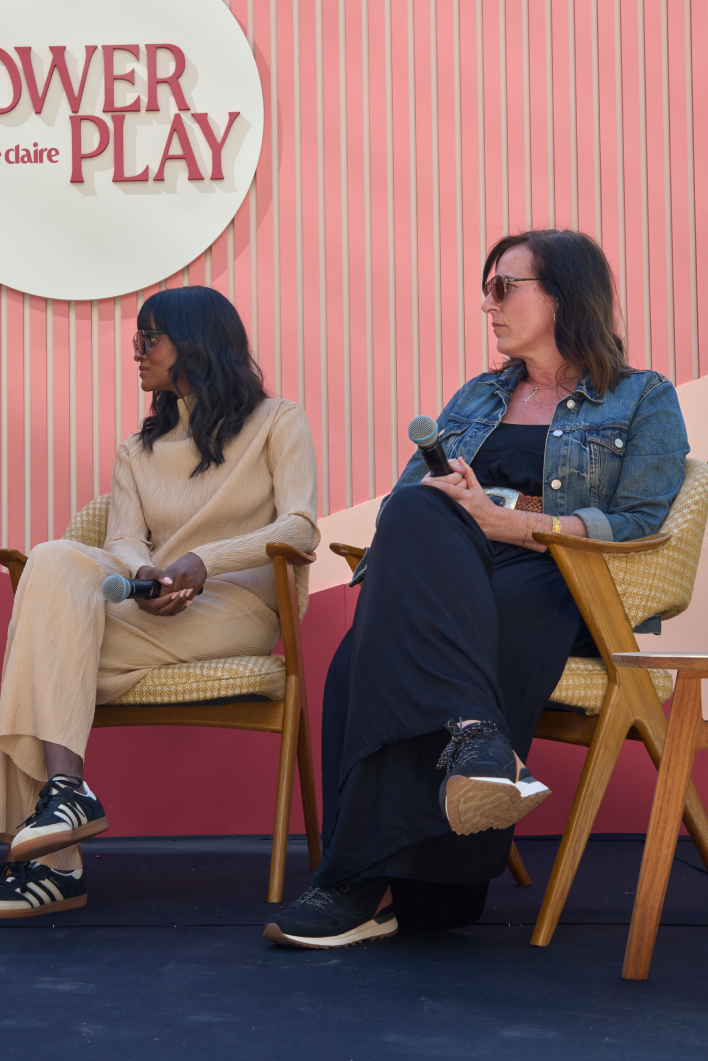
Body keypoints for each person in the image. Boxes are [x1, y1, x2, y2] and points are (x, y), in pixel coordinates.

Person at [265, 229, 689, 949]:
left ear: (562, 296)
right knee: (406, 540)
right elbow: (410, 502)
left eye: (504, 288)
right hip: (452, 573)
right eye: (486, 290)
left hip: (558, 578)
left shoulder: (640, 398)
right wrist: (457, 506)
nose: (487, 306)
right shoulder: (479, 394)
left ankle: (371, 885)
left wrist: (514, 520)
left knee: (385, 652)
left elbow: (643, 522)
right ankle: (474, 745)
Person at [0, 286, 319, 919]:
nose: (137, 352)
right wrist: (148, 573)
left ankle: (52, 866)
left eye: (148, 339)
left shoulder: (277, 420)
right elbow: (123, 535)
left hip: (236, 608)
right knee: (51, 557)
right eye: (137, 340)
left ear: (197, 344)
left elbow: (300, 528)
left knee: (41, 645)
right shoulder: (139, 448)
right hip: (157, 610)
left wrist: (202, 563)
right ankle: (68, 792)